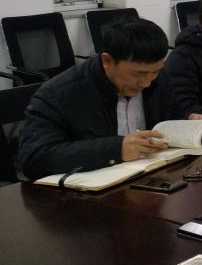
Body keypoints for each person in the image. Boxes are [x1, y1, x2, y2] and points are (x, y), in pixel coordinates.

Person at [17, 18, 190, 180]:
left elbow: (171, 116)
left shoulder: (157, 80)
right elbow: (34, 158)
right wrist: (116, 149)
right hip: (88, 191)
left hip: (153, 178)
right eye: (138, 74)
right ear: (107, 61)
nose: (146, 83)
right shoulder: (59, 93)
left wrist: (188, 121)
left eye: (155, 71)